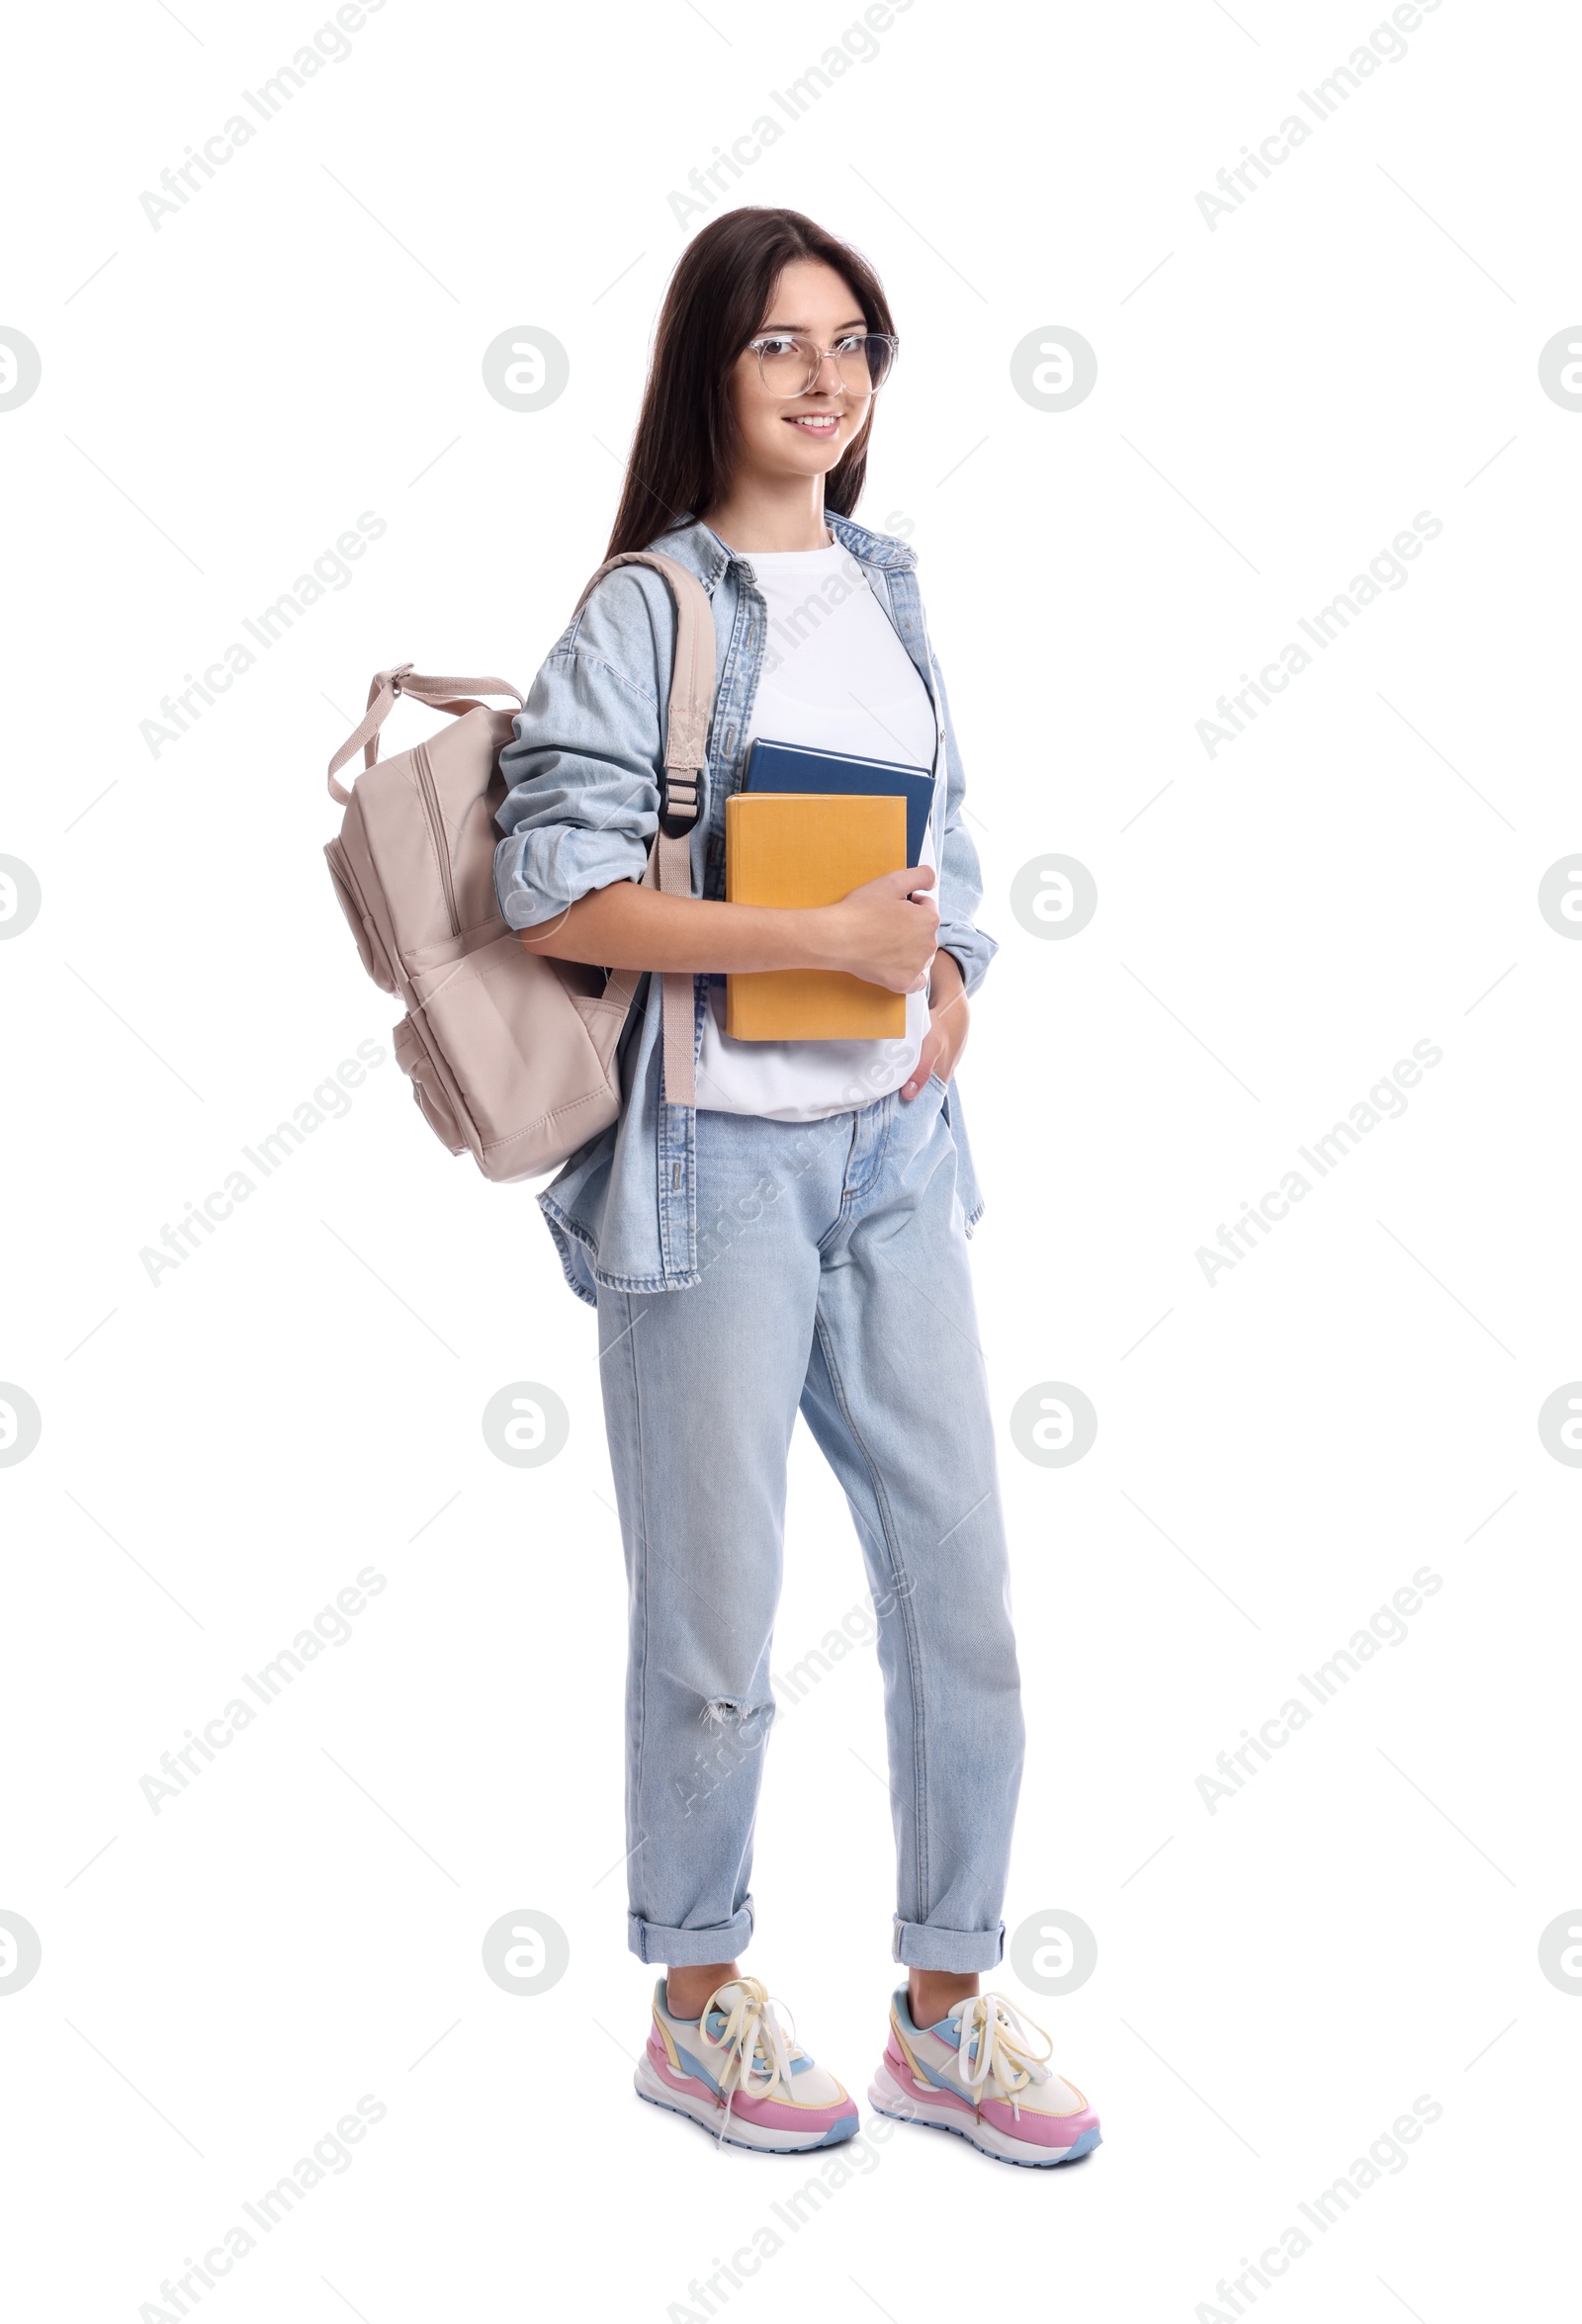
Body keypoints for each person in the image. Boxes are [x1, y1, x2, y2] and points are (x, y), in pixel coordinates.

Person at [493, 207, 1099, 2167]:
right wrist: (815, 936)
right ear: (710, 375)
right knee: (714, 1621)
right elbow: (553, 885)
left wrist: (941, 978)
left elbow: (939, 844)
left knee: (961, 1594)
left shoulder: (889, 583)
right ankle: (696, 2002)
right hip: (712, 1171)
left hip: (894, 1160)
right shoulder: (644, 610)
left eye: (850, 341)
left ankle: (942, 2005)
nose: (823, 377)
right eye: (779, 345)